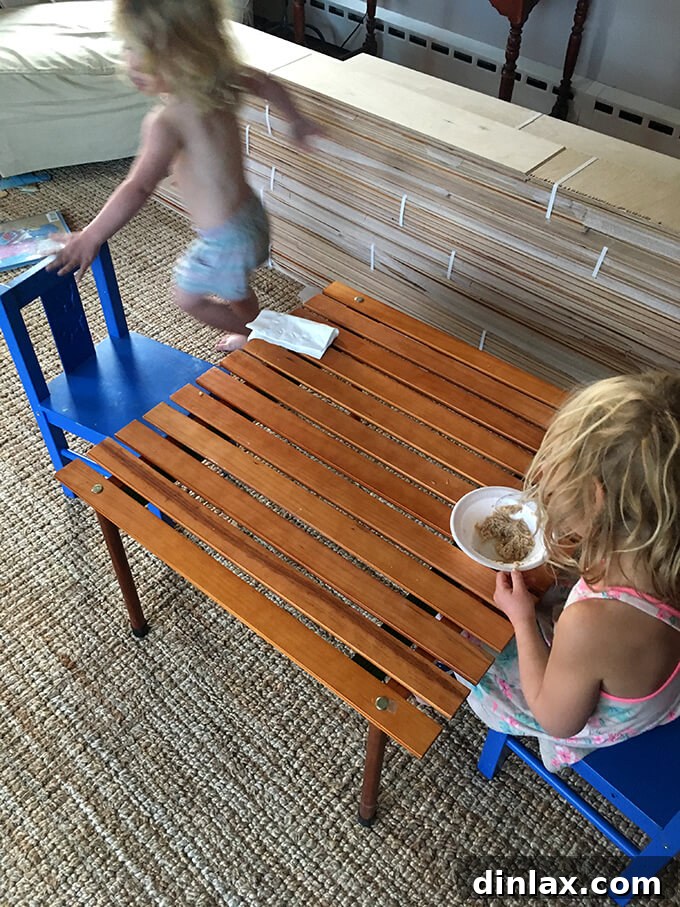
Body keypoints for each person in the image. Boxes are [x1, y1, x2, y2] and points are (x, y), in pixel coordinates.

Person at [48, 0, 320, 353]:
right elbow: (266, 84)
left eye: (143, 52)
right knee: (234, 286)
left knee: (187, 298)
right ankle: (252, 324)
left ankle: (262, 336)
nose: (130, 61)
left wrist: (92, 235)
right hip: (251, 218)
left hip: (224, 239)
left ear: (185, 54)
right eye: (129, 46)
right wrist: (296, 120)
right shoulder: (222, 80)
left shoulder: (166, 122)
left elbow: (139, 185)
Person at [466, 371, 680, 771]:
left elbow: (557, 718)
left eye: (556, 468)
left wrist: (523, 618)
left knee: (461, 640)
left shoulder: (590, 624)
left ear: (598, 499)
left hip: (587, 718)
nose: (544, 475)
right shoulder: (665, 544)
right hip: (648, 673)